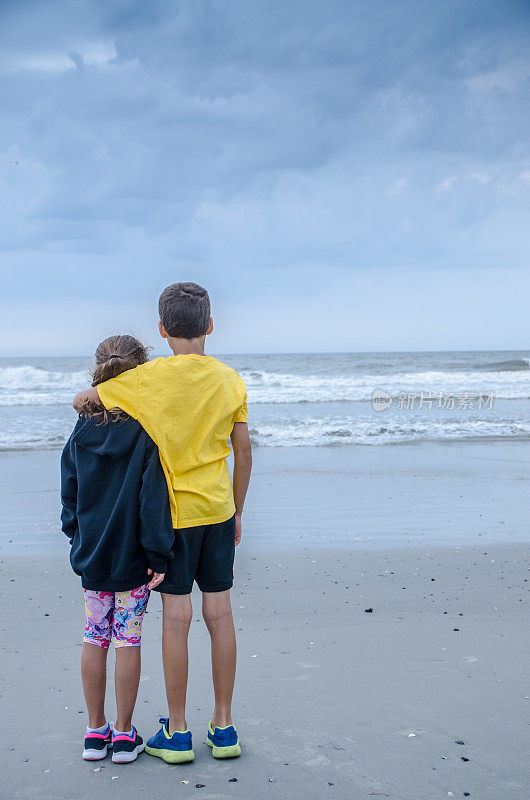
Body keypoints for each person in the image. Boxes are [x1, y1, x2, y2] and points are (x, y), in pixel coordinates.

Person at [73, 282, 252, 763]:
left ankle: (176, 732)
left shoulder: (148, 379)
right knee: (220, 612)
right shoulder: (230, 380)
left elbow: (87, 396)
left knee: (178, 617)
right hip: (218, 510)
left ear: (162, 330)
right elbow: (243, 451)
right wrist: (238, 511)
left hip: (174, 516)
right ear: (211, 326)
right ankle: (225, 726)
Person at [61, 335, 174, 764]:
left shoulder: (81, 429)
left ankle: (95, 733)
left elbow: (69, 491)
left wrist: (76, 537)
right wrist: (159, 554)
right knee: (128, 640)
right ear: (140, 371)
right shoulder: (145, 431)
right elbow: (152, 501)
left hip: (93, 555)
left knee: (94, 636)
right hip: (134, 560)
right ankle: (124, 737)